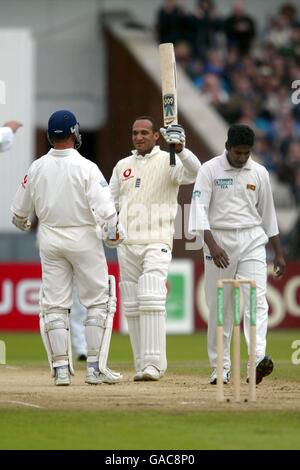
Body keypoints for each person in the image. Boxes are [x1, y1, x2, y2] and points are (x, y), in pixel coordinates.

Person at [11, 109, 123, 386]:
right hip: (83, 236)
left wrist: (24, 222)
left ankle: (61, 369)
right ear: (74, 133)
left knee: (54, 304)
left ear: (50, 137)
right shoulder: (87, 167)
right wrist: (113, 233)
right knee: (98, 300)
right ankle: (95, 368)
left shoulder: (37, 167)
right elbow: (107, 212)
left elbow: (18, 213)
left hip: (50, 238)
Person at [189, 124, 286, 385]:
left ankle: (257, 359)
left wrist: (278, 252)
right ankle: (220, 367)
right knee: (222, 307)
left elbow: (268, 215)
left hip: (252, 239)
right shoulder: (209, 169)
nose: (242, 158)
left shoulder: (259, 172)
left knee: (256, 300)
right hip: (218, 238)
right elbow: (198, 210)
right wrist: (212, 245)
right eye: (238, 153)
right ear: (227, 147)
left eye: (247, 153)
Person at [109, 116, 200, 381]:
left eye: (144, 133)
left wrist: (181, 148)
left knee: (150, 293)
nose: (139, 137)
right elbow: (109, 202)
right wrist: (108, 227)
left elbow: (195, 172)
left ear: (155, 136)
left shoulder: (170, 160)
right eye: (135, 133)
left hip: (157, 240)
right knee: (133, 303)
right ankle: (141, 364)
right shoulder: (122, 165)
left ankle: (154, 364)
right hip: (127, 243)